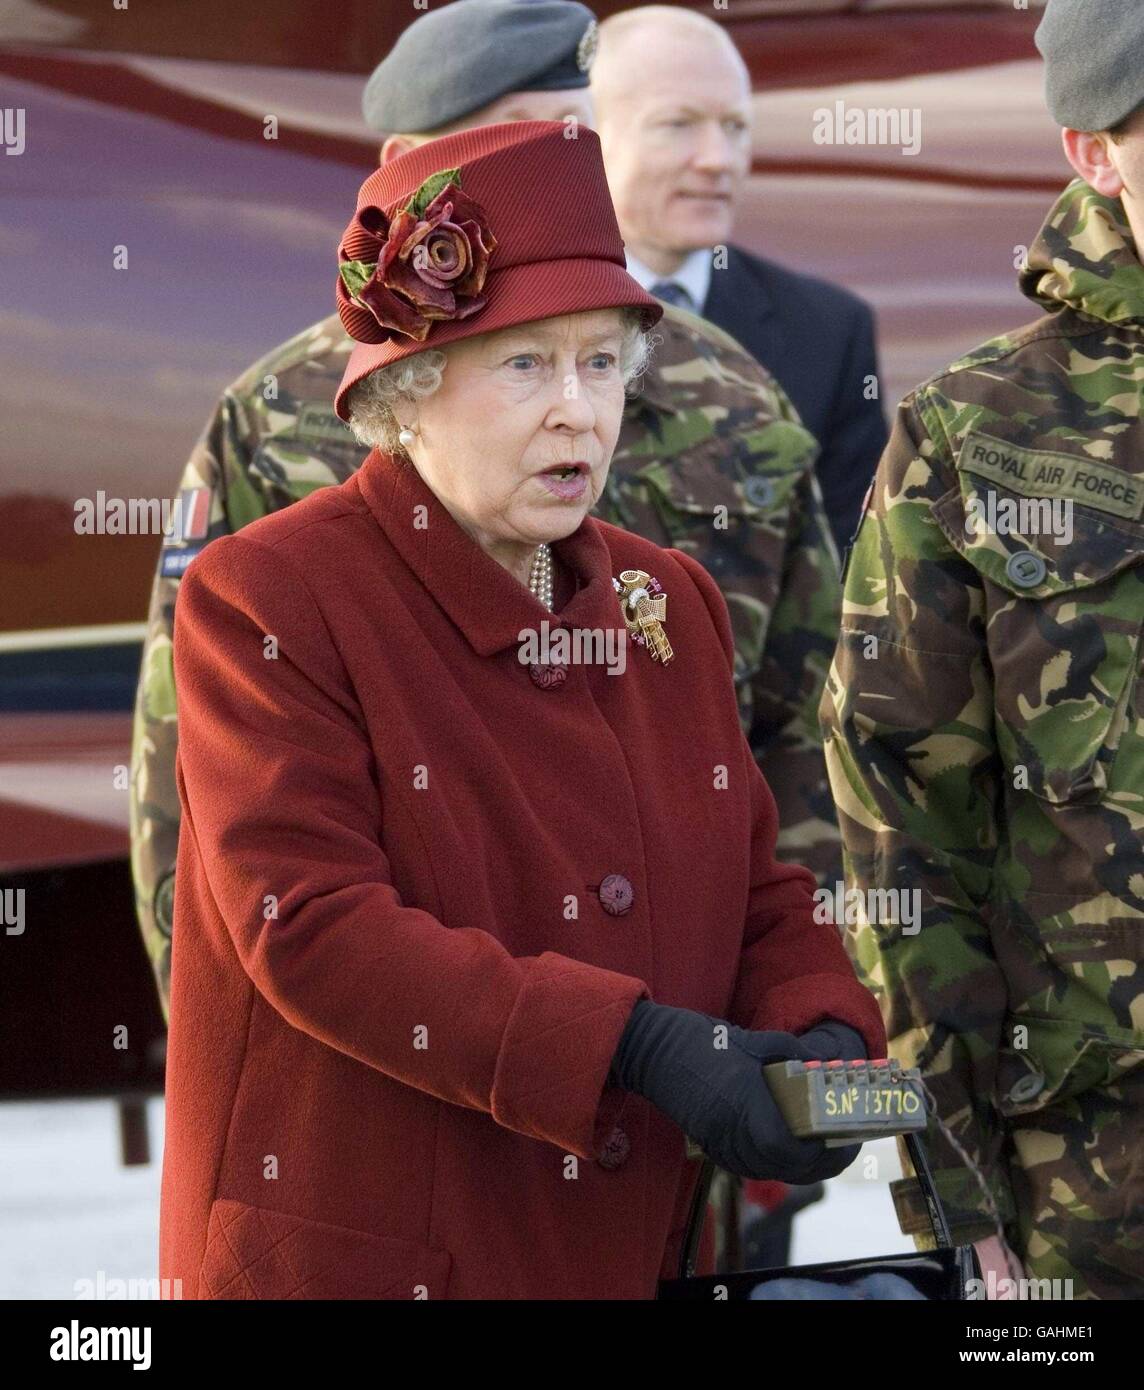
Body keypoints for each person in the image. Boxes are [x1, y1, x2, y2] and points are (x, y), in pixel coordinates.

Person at [158, 119, 885, 1300]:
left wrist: (824, 1032)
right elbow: (317, 928)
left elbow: (755, 890)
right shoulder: (271, 595)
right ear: (404, 391)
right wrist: (638, 1044)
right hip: (371, 1260)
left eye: (602, 363)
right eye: (523, 364)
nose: (577, 410)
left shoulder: (669, 600)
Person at [130, 0, 843, 1023]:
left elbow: (799, 729)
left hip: (686, 1077)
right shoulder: (275, 417)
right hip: (404, 1048)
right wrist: (229, 1045)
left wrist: (790, 1022)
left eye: (571, 145)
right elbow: (188, 793)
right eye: (502, 143)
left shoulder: (732, 396)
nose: (576, 405)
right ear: (403, 162)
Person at [819, 0, 1144, 1300]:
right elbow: (903, 820)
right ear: (1093, 152)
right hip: (1098, 1182)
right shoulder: (976, 437)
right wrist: (950, 1179)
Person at [591, 5, 887, 554]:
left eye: (736, 127)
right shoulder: (527, 316)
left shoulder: (828, 333)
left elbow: (856, 568)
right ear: (590, 134)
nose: (717, 159)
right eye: (677, 124)